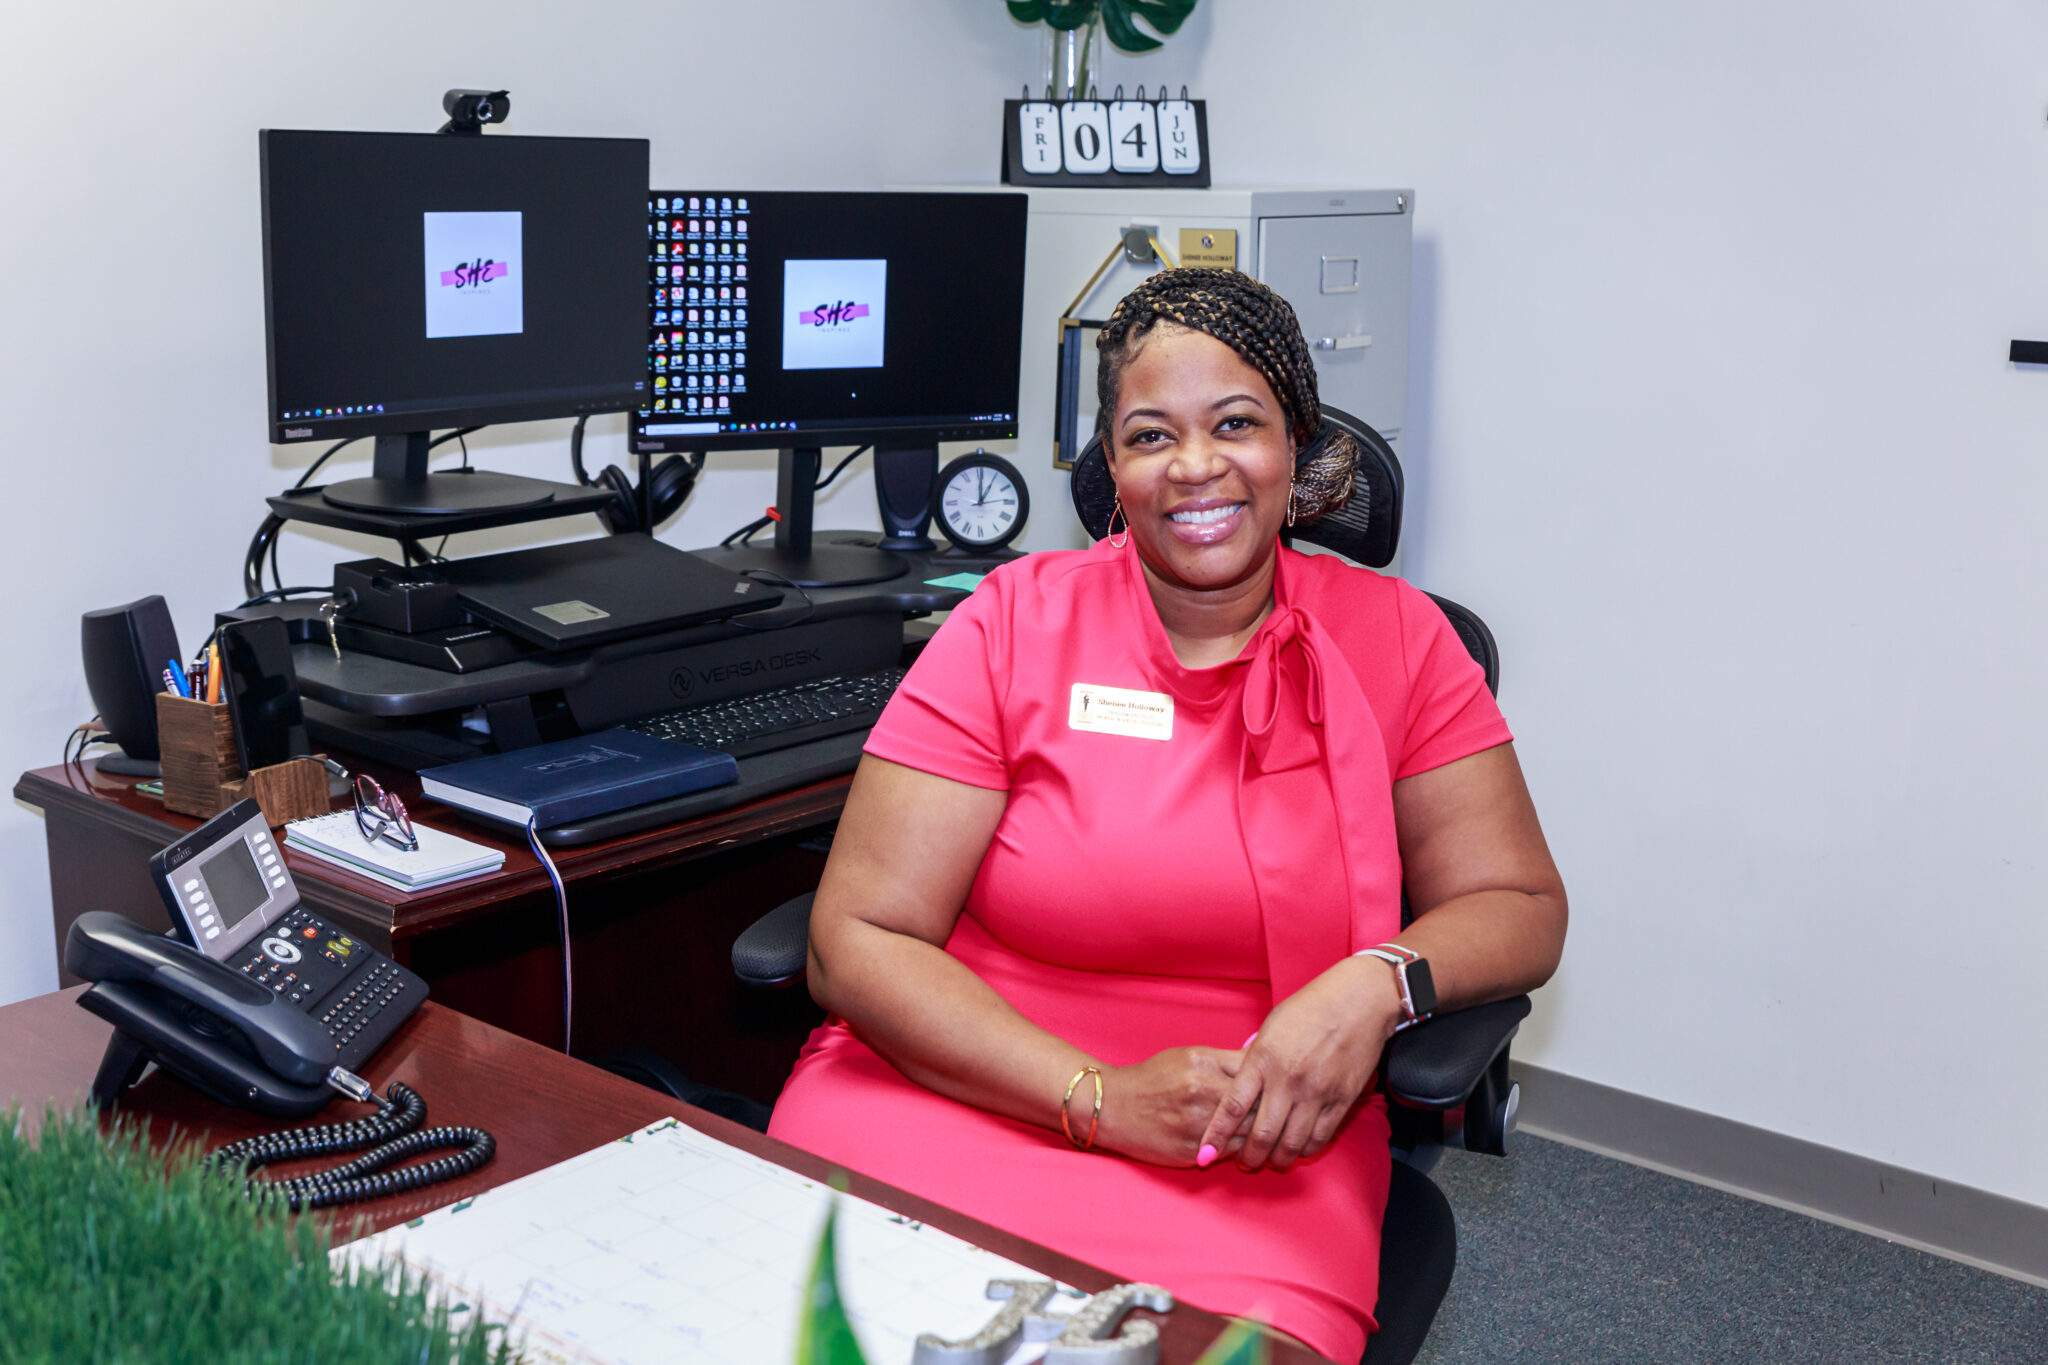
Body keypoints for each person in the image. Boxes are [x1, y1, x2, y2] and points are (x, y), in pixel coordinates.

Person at [768, 268, 1567, 1361]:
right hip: (957, 1085)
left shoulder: (1399, 639)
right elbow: (856, 937)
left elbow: (1517, 903)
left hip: (1253, 1141)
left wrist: (1374, 985)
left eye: (1234, 423)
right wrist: (1091, 1097)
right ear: (1113, 465)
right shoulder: (1009, 624)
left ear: (1297, 447)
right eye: (1150, 436)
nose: (1194, 467)